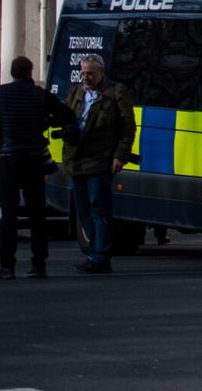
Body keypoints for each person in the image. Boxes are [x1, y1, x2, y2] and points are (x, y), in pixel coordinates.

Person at [0, 55, 78, 279]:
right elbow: (68, 115)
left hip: (9, 158)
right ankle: (39, 263)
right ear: (30, 72)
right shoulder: (40, 95)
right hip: (34, 159)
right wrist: (45, 123)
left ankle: (7, 265)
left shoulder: (0, 94)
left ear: (13, 73)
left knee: (9, 215)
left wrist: (0, 142)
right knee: (37, 215)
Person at [62, 53, 136, 275]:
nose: (86, 77)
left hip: (100, 159)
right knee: (83, 210)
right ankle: (96, 250)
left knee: (98, 208)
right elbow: (66, 116)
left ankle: (100, 255)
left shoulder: (115, 92)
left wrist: (120, 156)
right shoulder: (76, 93)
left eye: (90, 73)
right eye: (83, 73)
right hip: (76, 159)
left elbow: (127, 127)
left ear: (101, 73)